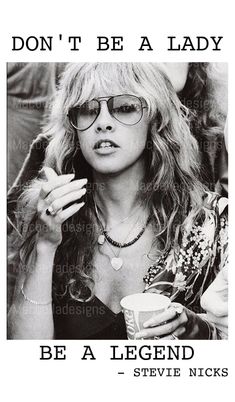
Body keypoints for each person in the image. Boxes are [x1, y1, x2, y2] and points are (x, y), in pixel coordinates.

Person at [8, 63, 228, 340]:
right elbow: (26, 359)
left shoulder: (213, 223)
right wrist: (44, 245)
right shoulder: (50, 215)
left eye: (124, 108)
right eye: (87, 110)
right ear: (73, 129)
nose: (102, 122)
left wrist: (199, 330)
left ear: (156, 120)